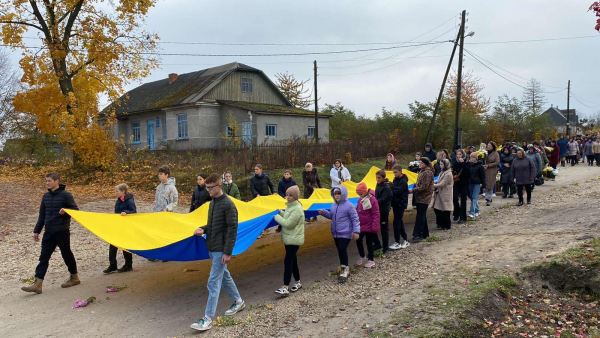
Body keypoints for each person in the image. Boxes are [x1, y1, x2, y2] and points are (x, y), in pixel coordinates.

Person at [190, 174, 245, 331]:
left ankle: (207, 318)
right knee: (225, 276)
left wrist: (227, 252)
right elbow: (213, 225)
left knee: (213, 282)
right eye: (206, 188)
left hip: (221, 250)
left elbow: (232, 229)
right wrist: (203, 229)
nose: (208, 190)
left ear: (219, 186)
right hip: (212, 248)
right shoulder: (213, 202)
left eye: (210, 188)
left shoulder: (228, 205)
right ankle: (239, 302)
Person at [22, 173, 80, 294]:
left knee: (66, 254)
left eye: (49, 181)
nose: (47, 183)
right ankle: (38, 283)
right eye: (46, 181)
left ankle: (74, 277)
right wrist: (37, 230)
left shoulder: (66, 195)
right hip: (49, 231)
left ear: (57, 181)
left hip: (62, 231)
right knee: (44, 257)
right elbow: (42, 215)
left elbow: (76, 211)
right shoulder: (46, 196)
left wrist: (66, 210)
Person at [318, 186, 360, 283]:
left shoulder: (349, 205)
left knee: (342, 249)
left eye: (339, 193)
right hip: (336, 233)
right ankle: (343, 266)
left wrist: (356, 231)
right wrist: (324, 212)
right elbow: (332, 216)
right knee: (340, 250)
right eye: (335, 194)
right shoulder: (333, 206)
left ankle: (345, 269)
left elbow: (355, 219)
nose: (337, 196)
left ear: (343, 194)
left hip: (346, 232)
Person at [273, 186, 304, 296]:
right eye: (287, 195)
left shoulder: (297, 209)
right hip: (289, 238)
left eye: (290, 195)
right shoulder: (292, 207)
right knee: (293, 260)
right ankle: (298, 281)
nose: (287, 197)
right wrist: (281, 213)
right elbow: (287, 216)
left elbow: (288, 224)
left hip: (294, 240)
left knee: (288, 261)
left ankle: (285, 286)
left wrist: (276, 217)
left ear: (295, 197)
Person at [104, 184, 137, 274]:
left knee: (125, 246)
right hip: (118, 226)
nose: (115, 193)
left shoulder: (129, 201)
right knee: (113, 245)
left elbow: (134, 212)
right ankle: (112, 265)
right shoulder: (118, 201)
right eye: (115, 191)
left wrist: (126, 212)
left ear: (123, 191)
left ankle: (128, 265)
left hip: (126, 227)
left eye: (117, 191)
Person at [150, 165, 178, 262]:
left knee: (165, 235)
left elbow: (174, 202)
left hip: (166, 215)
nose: (159, 176)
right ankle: (155, 254)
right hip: (157, 214)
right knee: (156, 234)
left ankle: (166, 255)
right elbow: (156, 201)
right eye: (158, 174)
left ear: (167, 175)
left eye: (161, 174)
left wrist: (167, 208)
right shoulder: (159, 187)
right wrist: (153, 212)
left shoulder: (172, 188)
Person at [354, 182, 380, 268]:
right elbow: (358, 210)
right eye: (358, 194)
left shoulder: (373, 200)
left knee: (369, 243)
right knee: (358, 240)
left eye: (361, 193)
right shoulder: (359, 199)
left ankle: (371, 259)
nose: (360, 195)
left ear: (365, 191)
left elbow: (376, 214)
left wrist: (375, 226)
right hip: (361, 225)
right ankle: (362, 256)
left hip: (369, 225)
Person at [409, 157, 434, 242]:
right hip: (420, 197)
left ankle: (418, 234)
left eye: (422, 163)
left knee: (420, 216)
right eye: (419, 163)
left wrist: (413, 189)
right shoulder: (421, 171)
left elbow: (424, 186)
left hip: (425, 197)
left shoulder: (427, 173)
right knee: (422, 215)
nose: (420, 164)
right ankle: (425, 233)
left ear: (426, 164)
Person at [389, 165, 409, 250]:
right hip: (396, 204)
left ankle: (397, 241)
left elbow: (398, 191)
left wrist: (390, 190)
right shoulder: (395, 180)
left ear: (401, 172)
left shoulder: (403, 181)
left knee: (396, 222)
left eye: (396, 172)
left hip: (401, 204)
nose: (394, 174)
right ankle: (405, 239)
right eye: (393, 172)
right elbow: (394, 188)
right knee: (399, 222)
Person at [374, 170, 392, 255]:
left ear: (383, 178)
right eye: (376, 178)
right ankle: (377, 244)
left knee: (384, 229)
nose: (377, 179)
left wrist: (373, 202)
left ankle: (386, 248)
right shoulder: (378, 185)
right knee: (373, 228)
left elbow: (382, 199)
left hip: (384, 211)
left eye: (379, 178)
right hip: (377, 210)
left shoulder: (386, 187)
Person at [433, 159, 453, 230]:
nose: (440, 165)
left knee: (446, 210)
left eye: (442, 164)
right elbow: (439, 181)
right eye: (440, 164)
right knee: (438, 209)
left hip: (445, 193)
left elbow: (442, 184)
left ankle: (447, 225)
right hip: (441, 193)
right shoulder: (442, 172)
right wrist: (434, 182)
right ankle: (441, 224)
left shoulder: (448, 174)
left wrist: (432, 185)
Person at [452, 149, 470, 224]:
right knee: (455, 197)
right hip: (457, 182)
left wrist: (463, 164)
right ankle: (457, 212)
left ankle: (463, 217)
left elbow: (468, 172)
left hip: (464, 183)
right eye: (457, 155)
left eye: (460, 154)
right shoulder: (455, 163)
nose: (459, 156)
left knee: (463, 200)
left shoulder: (467, 163)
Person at [468, 152, 485, 218]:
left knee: (474, 197)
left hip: (477, 183)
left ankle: (472, 212)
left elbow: (483, 176)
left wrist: (484, 185)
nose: (472, 159)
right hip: (470, 183)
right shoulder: (469, 165)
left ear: (476, 158)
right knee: (472, 198)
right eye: (471, 157)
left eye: (473, 157)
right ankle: (477, 210)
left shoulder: (480, 166)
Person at [484, 142, 499, 206]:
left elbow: (497, 162)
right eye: (488, 145)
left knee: (490, 184)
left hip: (492, 170)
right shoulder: (486, 153)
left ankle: (488, 198)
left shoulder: (496, 154)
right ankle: (488, 197)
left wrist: (489, 165)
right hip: (486, 170)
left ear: (493, 146)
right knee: (486, 183)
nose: (488, 147)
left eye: (489, 145)